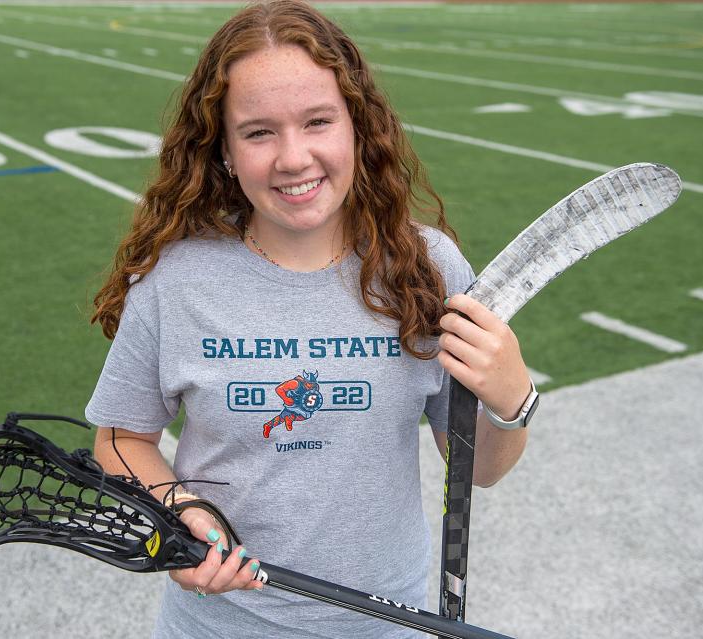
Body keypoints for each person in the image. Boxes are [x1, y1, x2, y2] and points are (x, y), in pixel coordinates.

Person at [85, 1, 532, 637]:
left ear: (358, 127)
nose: (293, 158)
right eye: (259, 132)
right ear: (225, 152)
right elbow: (122, 440)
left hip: (388, 622)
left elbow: (477, 470)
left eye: (318, 121)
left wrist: (514, 400)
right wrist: (176, 511)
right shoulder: (177, 279)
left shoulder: (426, 266)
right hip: (220, 625)